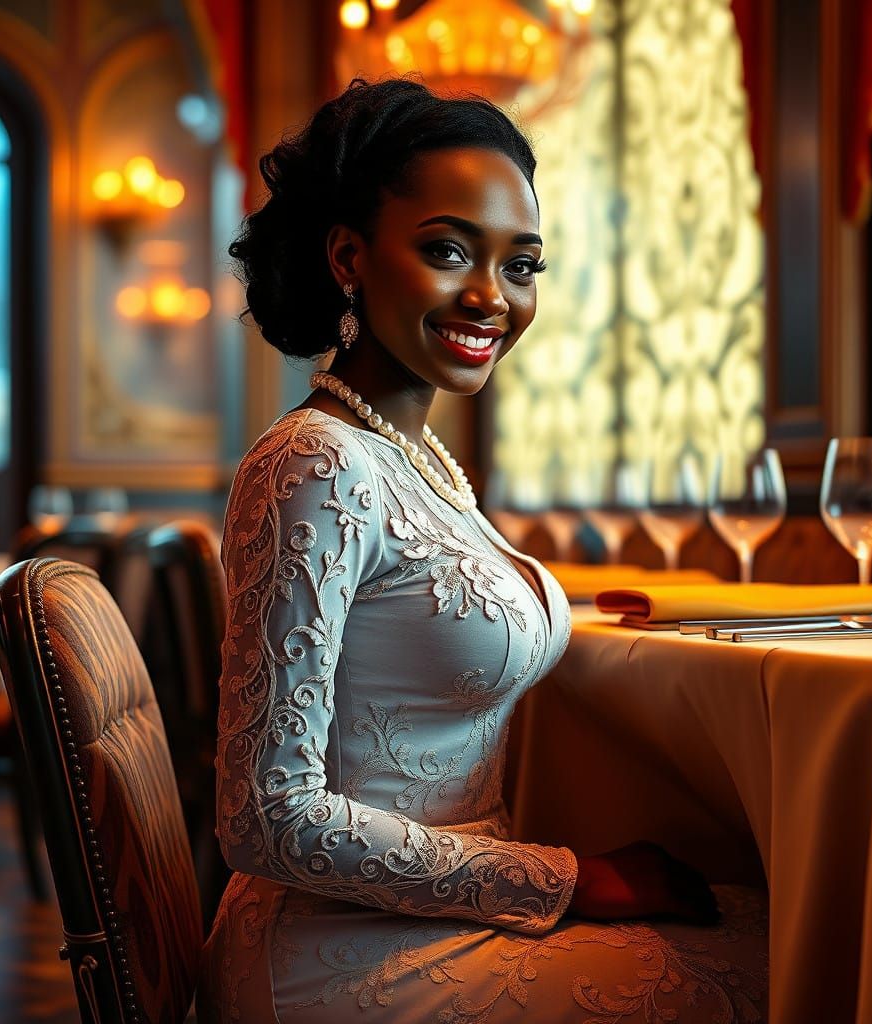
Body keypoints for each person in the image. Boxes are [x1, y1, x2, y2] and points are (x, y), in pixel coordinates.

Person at [198, 77, 768, 1023]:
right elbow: (265, 819)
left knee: (786, 926)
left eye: (521, 265)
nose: (490, 296)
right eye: (448, 251)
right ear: (350, 256)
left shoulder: (410, 453)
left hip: (431, 919)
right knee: (801, 964)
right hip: (332, 960)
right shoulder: (315, 461)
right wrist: (566, 878)